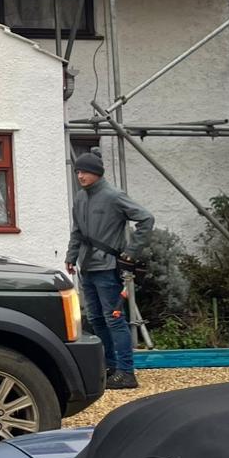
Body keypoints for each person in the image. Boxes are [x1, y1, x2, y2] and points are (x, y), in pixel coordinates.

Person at [66, 150, 154, 391]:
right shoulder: (80, 198)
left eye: (84, 172)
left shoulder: (114, 196)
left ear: (96, 173)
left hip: (107, 267)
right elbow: (77, 231)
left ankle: (126, 373)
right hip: (87, 267)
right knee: (95, 319)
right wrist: (71, 256)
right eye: (77, 172)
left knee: (114, 319)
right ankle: (110, 367)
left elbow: (146, 219)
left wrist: (132, 250)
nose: (80, 176)